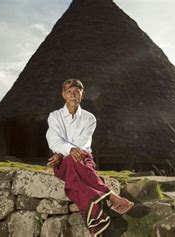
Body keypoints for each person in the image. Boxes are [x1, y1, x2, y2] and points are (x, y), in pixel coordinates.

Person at [45, 79, 134, 236]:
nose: (73, 94)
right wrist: (67, 151)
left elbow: (81, 143)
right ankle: (111, 196)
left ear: (82, 94)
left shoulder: (89, 118)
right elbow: (53, 139)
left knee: (74, 160)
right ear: (63, 95)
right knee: (71, 159)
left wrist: (63, 152)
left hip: (84, 159)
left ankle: (96, 219)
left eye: (76, 91)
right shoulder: (54, 116)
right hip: (62, 164)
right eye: (69, 91)